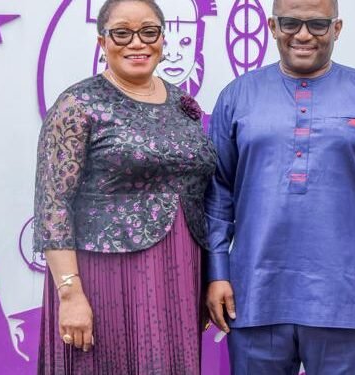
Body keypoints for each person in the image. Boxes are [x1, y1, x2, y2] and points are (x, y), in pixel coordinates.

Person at [204, 0, 355, 373]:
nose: (303, 35)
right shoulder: (237, 97)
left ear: (337, 29)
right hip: (254, 292)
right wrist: (218, 272)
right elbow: (218, 193)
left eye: (318, 24)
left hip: (347, 296)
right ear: (272, 27)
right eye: (291, 23)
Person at [33, 0, 216, 373]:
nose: (137, 42)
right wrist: (70, 294)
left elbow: (199, 190)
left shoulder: (182, 102)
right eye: (122, 33)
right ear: (102, 42)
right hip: (105, 279)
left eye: (149, 32)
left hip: (178, 273)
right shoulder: (77, 105)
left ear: (162, 40)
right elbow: (52, 205)